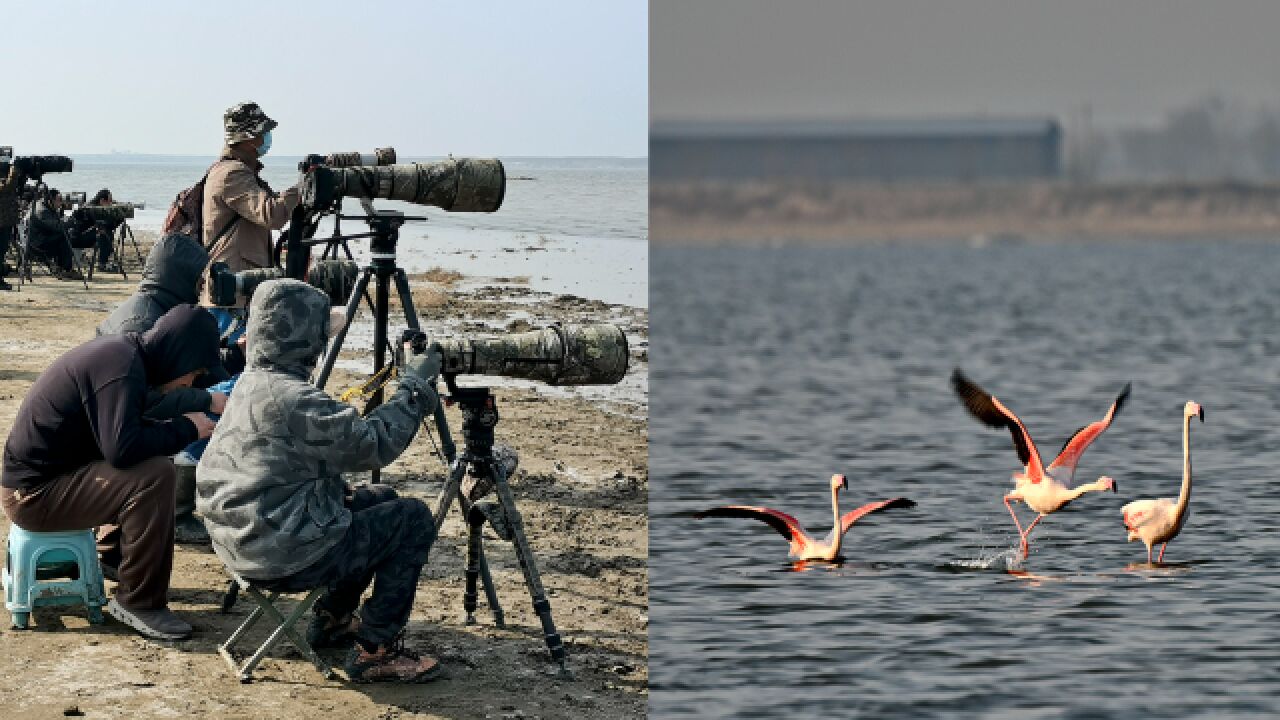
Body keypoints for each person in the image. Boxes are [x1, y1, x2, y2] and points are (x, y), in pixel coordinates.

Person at [198, 279, 445, 682]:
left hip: (241, 538)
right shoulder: (295, 398)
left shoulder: (252, 382)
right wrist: (414, 390)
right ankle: (375, 652)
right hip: (281, 554)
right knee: (413, 518)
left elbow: (287, 464)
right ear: (307, 342)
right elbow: (375, 444)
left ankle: (333, 618)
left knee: (378, 497)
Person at [2, 305, 222, 640]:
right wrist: (186, 429)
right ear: (179, 357)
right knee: (156, 474)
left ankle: (113, 557)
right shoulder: (122, 368)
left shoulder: (126, 355)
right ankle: (139, 602)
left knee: (149, 458)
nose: (190, 383)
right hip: (33, 497)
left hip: (45, 481)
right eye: (193, 373)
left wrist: (189, 414)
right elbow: (122, 450)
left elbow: (128, 431)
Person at [97, 232, 235, 544]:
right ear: (179, 276)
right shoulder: (139, 322)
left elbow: (179, 370)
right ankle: (174, 514)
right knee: (202, 420)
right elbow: (152, 399)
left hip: (119, 419)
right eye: (198, 279)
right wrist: (205, 402)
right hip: (119, 428)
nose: (203, 287)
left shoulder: (155, 307)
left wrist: (234, 355)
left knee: (216, 401)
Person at [200, 101, 301, 343]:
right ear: (248, 138)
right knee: (232, 367)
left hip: (237, 289)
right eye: (262, 133)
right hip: (231, 292)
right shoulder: (232, 173)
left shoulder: (241, 171)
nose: (266, 139)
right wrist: (305, 188)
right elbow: (272, 215)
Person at [26, 188, 81, 280]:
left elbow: (53, 224)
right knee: (64, 236)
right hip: (37, 245)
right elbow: (58, 227)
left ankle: (62, 268)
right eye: (59, 200)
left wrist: (62, 211)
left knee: (63, 236)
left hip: (37, 239)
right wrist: (72, 220)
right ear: (50, 200)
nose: (61, 203)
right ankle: (67, 269)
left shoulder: (41, 204)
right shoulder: (42, 211)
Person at [67, 188, 118, 272]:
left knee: (106, 232)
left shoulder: (91, 206)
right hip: (77, 239)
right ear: (102, 200)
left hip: (75, 237)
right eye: (109, 201)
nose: (110, 203)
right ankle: (102, 264)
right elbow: (104, 225)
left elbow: (107, 225)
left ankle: (103, 262)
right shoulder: (93, 210)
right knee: (105, 234)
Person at [0, 160, 26, 290]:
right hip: (2, 221)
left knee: (2, 250)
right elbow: (8, 186)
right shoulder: (4, 181)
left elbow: (15, 188)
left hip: (6, 221)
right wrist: (14, 169)